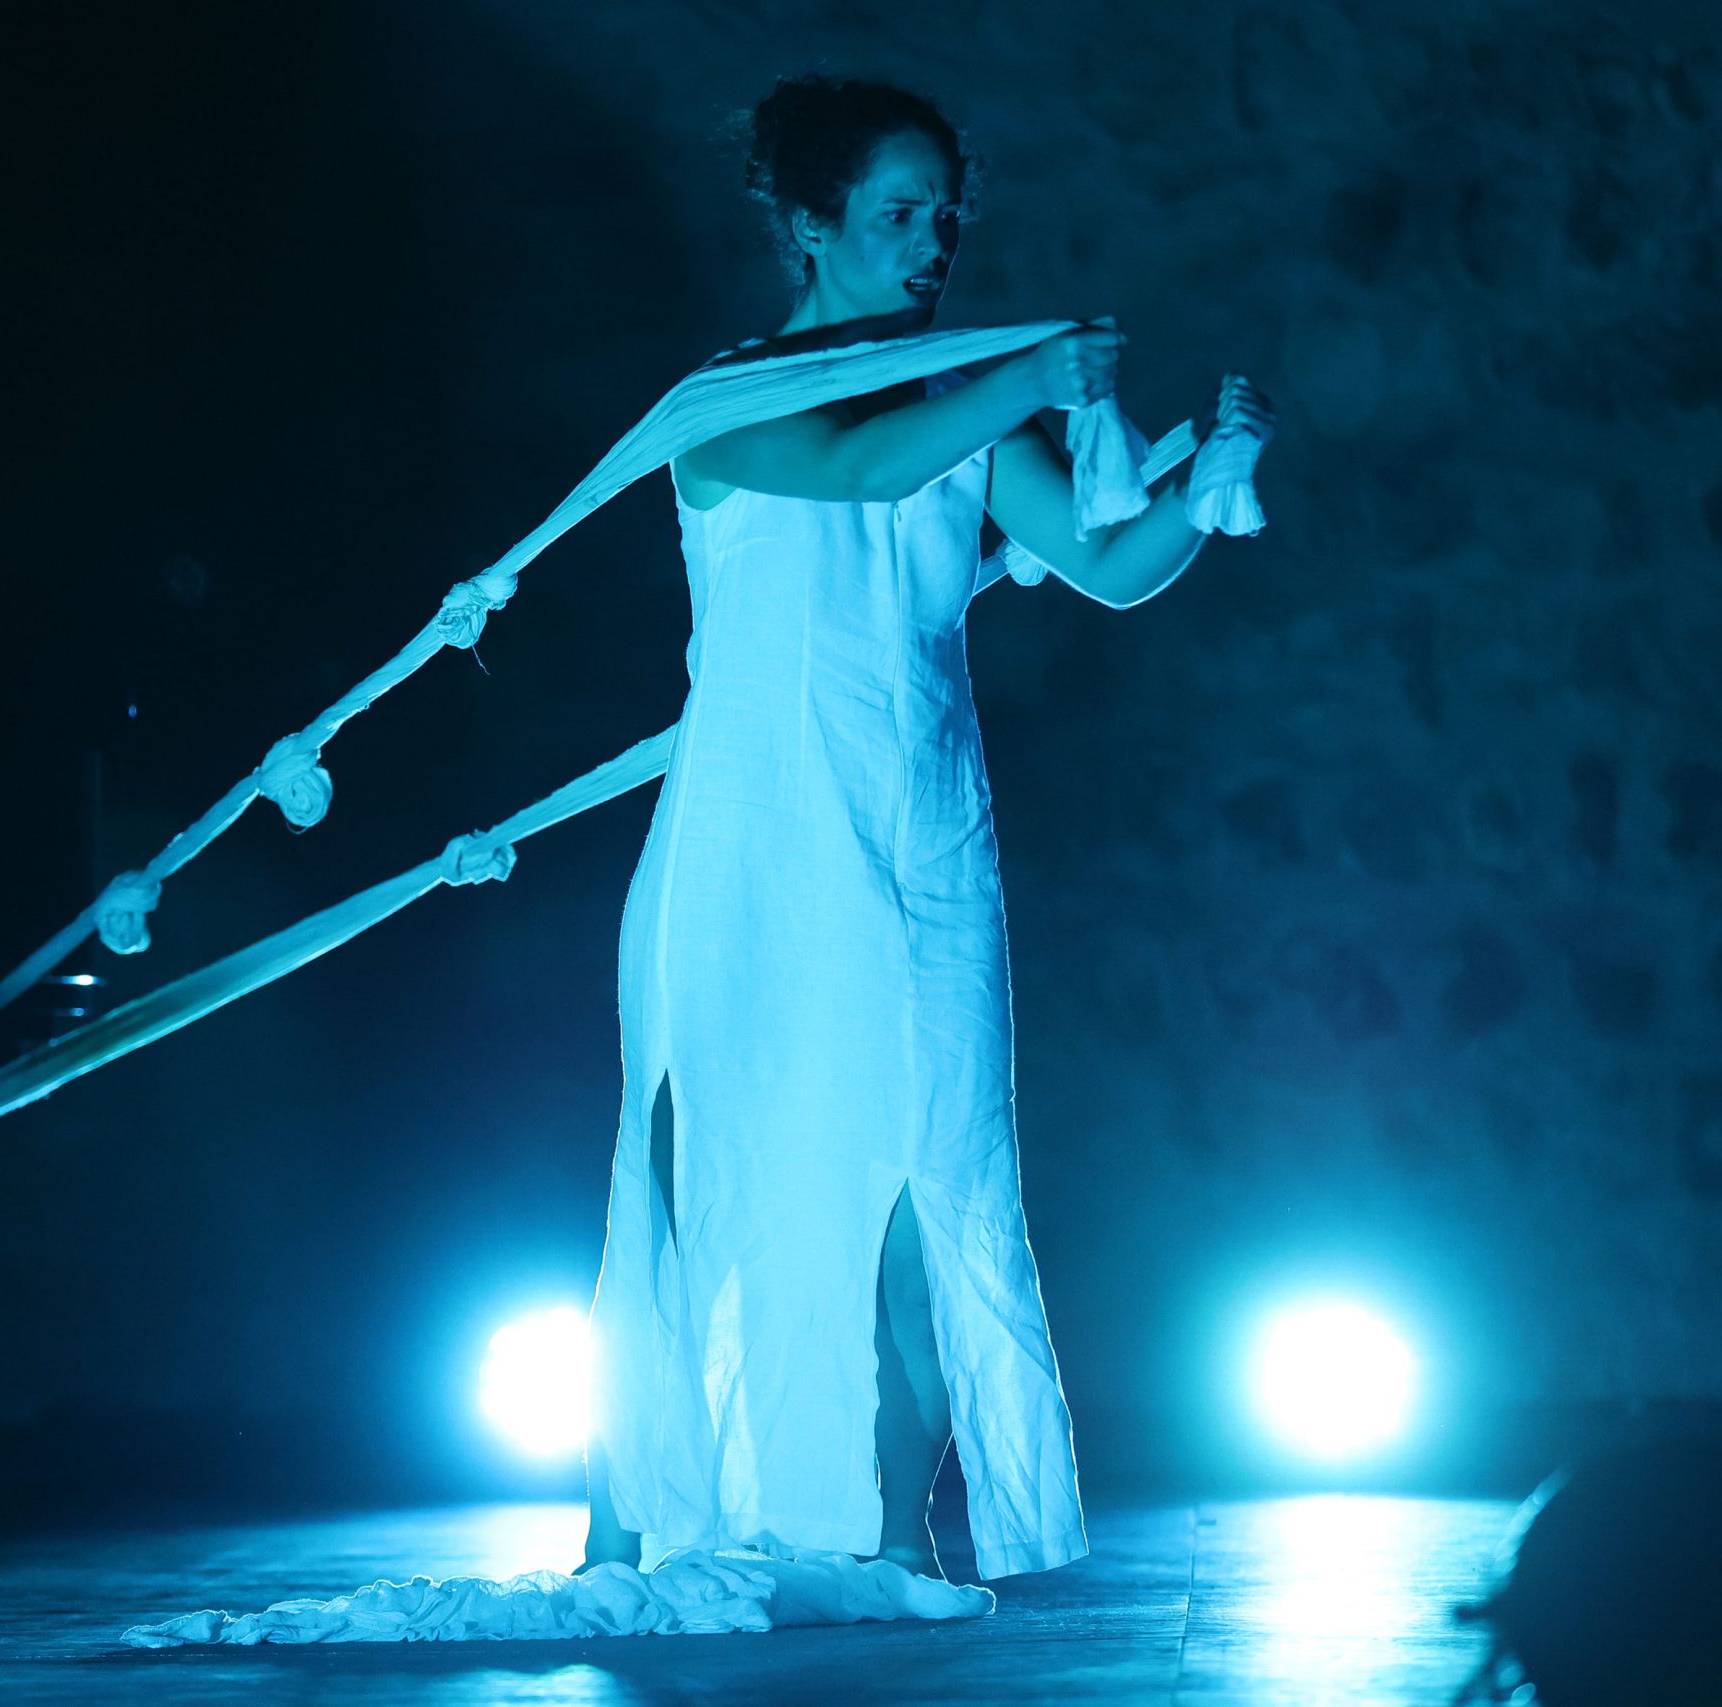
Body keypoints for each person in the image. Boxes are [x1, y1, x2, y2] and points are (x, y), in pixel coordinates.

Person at [578, 74, 1277, 1585]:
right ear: (811, 224)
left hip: (924, 837)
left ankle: (897, 1547)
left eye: (946, 215)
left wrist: (1211, 480)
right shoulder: (724, 404)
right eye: (901, 213)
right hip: (758, 832)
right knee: (709, 1176)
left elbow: (1106, 567)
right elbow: (857, 469)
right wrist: (1024, 372)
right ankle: (637, 1530)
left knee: (924, 1174)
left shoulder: (964, 408)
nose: (934, 243)